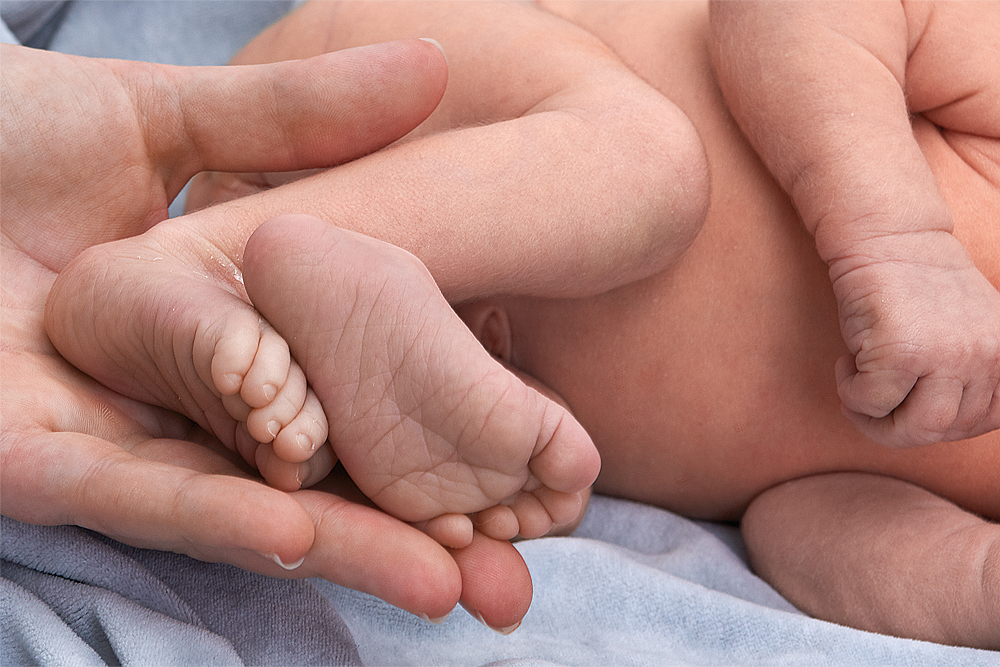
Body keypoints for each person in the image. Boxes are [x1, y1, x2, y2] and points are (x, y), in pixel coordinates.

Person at [42, 0, 707, 543]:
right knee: (652, 164)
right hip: (449, 107)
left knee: (543, 464)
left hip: (454, 345)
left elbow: (770, 537)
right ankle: (206, 260)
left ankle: (316, 392)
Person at [450, 0, 998, 649]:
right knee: (640, 164)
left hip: (449, 380)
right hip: (465, 101)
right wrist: (902, 243)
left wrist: (979, 582)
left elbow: (791, 524)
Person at [1, 37, 534, 631]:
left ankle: (282, 357)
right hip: (363, 151)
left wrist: (515, 467)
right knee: (626, 156)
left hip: (494, 347)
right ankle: (203, 263)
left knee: (513, 456)